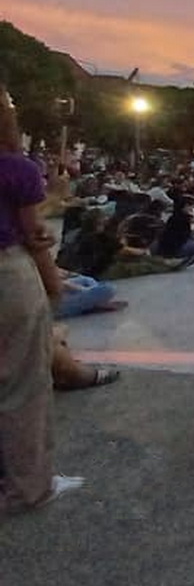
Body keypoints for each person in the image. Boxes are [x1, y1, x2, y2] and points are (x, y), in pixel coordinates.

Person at [0, 86, 84, 513]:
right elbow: (33, 235)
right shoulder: (16, 168)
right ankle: (28, 486)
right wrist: (53, 285)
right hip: (6, 274)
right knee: (22, 385)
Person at [154, 195, 194, 260]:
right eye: (192, 206)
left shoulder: (173, 217)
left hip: (167, 248)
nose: (192, 209)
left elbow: (187, 234)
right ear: (186, 205)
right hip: (178, 249)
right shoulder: (185, 217)